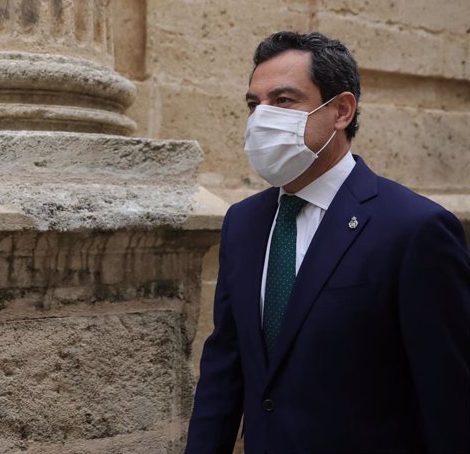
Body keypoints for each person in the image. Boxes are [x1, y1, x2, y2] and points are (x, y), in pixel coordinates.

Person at [184, 31, 470, 454]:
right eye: (253, 104)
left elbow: (450, 398)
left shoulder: (416, 228)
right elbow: (225, 370)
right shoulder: (243, 223)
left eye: (282, 101)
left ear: (340, 110)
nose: (261, 118)